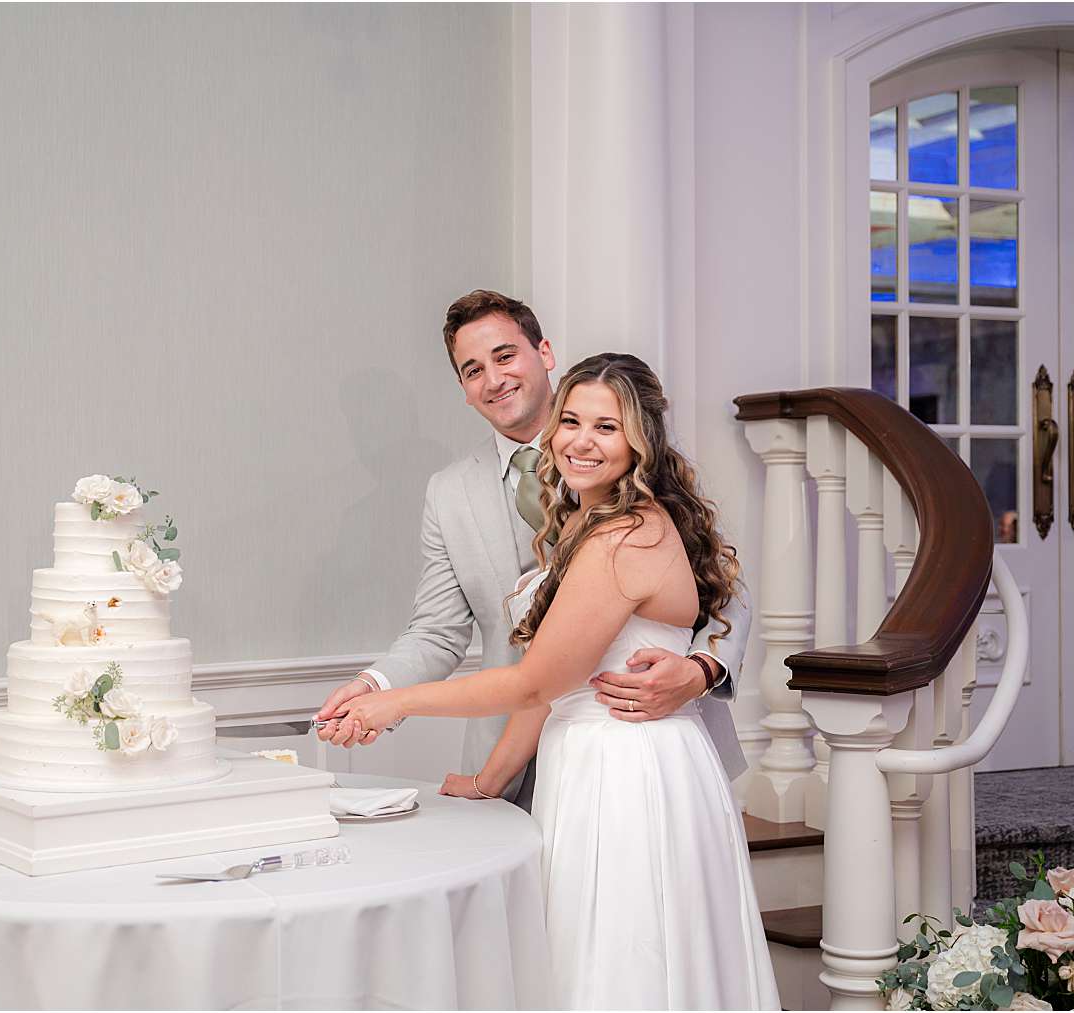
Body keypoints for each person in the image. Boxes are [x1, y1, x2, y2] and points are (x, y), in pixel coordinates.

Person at [334, 354, 780, 1009]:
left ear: (641, 439)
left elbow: (533, 682)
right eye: (572, 422)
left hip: (626, 771)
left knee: (629, 963)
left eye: (606, 426)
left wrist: (393, 702)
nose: (580, 439)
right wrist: (489, 780)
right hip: (597, 758)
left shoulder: (623, 535)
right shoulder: (586, 523)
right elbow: (555, 687)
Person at [314, 290, 750, 806]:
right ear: (463, 389)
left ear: (544, 354)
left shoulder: (623, 461)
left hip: (634, 744)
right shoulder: (448, 493)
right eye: (473, 370)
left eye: (505, 356)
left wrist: (699, 671)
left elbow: (720, 581)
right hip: (507, 752)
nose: (494, 379)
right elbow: (436, 632)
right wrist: (375, 685)